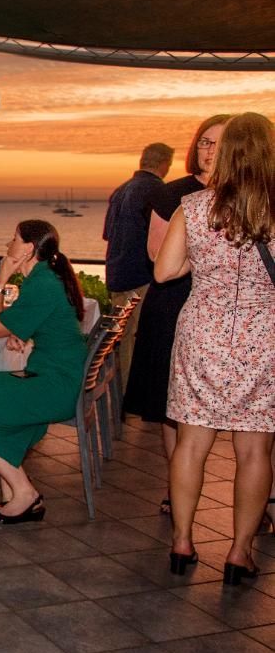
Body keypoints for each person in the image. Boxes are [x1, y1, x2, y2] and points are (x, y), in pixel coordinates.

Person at [154, 112, 275, 585]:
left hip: (202, 334)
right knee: (255, 452)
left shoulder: (195, 206)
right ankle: (239, 551)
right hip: (264, 339)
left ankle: (182, 542)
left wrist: (203, 264)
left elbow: (164, 272)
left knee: (191, 444)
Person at [0, 220, 87, 524]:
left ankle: (24, 491)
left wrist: (1, 279)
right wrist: (21, 331)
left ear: (29, 249)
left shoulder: (42, 283)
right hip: (53, 376)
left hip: (54, 385)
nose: (8, 245)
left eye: (14, 240)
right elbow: (27, 323)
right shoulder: (45, 278)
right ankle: (13, 490)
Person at [124, 115, 229, 516]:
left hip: (233, 315)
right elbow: (157, 257)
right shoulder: (174, 195)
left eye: (219, 143)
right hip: (174, 303)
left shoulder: (255, 195)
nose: (209, 150)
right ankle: (176, 488)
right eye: (204, 141)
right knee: (172, 407)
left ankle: (258, 502)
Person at [102, 142, 174, 382]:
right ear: (165, 164)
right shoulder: (159, 193)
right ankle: (132, 396)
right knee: (140, 339)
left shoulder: (120, 191)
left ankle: (119, 393)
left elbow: (108, 235)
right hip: (142, 277)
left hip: (116, 274)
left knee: (119, 339)